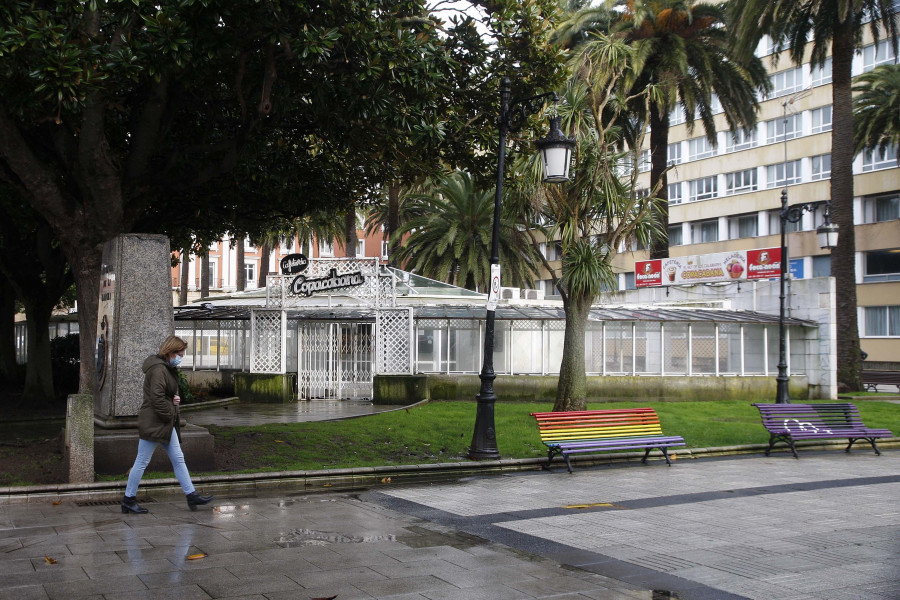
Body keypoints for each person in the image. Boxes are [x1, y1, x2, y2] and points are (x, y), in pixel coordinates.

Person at [122, 335, 213, 514]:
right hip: (157, 421)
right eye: (180, 353)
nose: (181, 356)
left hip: (161, 422)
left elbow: (161, 394)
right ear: (170, 352)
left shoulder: (163, 367)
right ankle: (128, 499)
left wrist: (173, 399)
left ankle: (191, 494)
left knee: (177, 458)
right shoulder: (158, 369)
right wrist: (170, 410)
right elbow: (156, 398)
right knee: (142, 461)